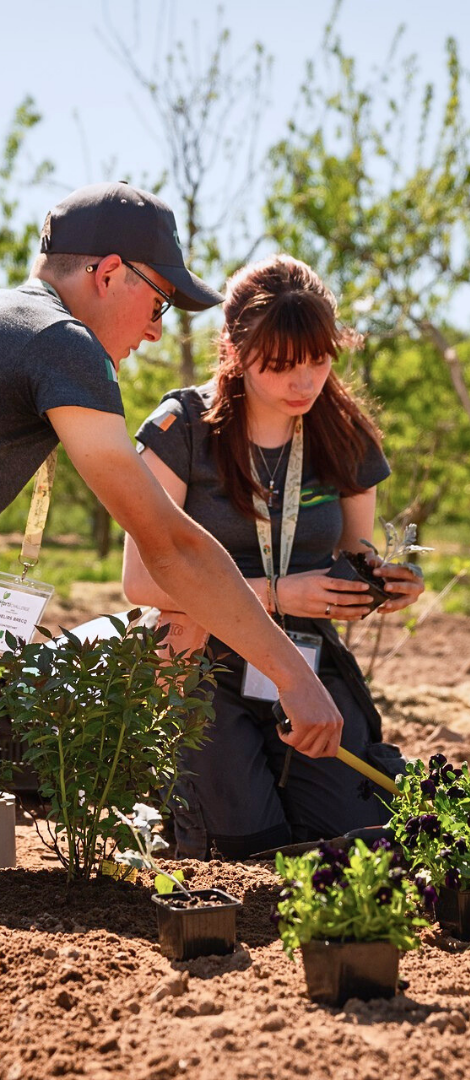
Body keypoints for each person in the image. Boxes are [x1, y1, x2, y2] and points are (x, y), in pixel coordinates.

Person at [0, 182, 343, 757]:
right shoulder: (63, 342)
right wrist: (295, 676)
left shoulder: (18, 322)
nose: (157, 329)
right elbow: (169, 548)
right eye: (158, 303)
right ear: (108, 274)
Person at [121, 255, 424, 856]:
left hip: (308, 661)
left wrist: (379, 584)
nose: (304, 383)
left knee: (349, 839)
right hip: (200, 657)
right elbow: (140, 580)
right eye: (283, 365)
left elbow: (351, 550)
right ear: (236, 348)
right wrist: (277, 592)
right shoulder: (181, 426)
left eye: (318, 360)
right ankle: (172, 808)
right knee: (242, 846)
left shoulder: (346, 432)